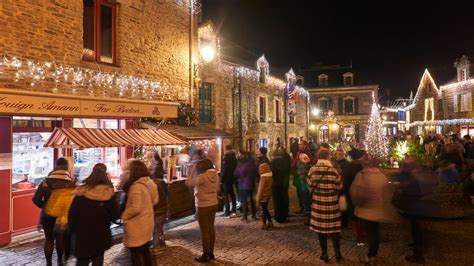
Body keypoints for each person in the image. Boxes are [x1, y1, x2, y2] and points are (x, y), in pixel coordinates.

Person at [68, 167, 119, 266]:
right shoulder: (108, 194)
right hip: (101, 235)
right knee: (98, 260)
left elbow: (72, 216)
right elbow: (115, 215)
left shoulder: (80, 193)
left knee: (82, 261)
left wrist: (73, 232)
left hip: (82, 235)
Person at [33, 157, 76, 266]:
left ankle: (48, 263)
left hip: (47, 216)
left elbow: (36, 199)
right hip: (62, 216)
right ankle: (60, 261)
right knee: (60, 239)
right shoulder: (70, 182)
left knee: (49, 240)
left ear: (55, 167)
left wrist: (46, 206)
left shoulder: (45, 182)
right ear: (66, 168)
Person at [351, 154, 392, 264]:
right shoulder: (382, 176)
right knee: (374, 231)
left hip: (365, 209)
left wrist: (356, 203)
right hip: (377, 209)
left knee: (370, 232)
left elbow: (354, 192)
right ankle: (373, 253)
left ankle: (371, 255)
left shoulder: (361, 175)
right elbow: (387, 194)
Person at [307, 148, 343, 263]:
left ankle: (324, 254)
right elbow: (339, 186)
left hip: (318, 203)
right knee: (334, 230)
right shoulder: (333, 170)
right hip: (332, 203)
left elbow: (309, 186)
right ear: (328, 157)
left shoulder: (312, 170)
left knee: (321, 231)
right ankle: (338, 254)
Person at [121, 160, 159, 266]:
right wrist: (146, 206)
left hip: (138, 225)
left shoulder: (137, 187)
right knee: (145, 250)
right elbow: (155, 200)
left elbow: (135, 208)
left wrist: (124, 215)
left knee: (136, 254)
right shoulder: (149, 182)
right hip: (147, 221)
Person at [393, 155, 426, 264]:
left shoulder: (411, 175)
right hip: (415, 204)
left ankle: (418, 254)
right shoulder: (413, 172)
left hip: (414, 204)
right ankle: (417, 244)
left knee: (416, 228)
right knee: (414, 226)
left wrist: (400, 186)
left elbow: (407, 186)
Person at [186, 159, 220, 263]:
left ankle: (205, 254)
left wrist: (191, 172)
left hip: (203, 205)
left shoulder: (202, 177)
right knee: (210, 229)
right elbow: (218, 189)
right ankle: (211, 252)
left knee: (205, 230)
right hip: (213, 203)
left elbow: (188, 183)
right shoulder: (216, 175)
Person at [343, 148, 366, 242]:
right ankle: (362, 233)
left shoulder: (349, 167)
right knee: (361, 214)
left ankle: (357, 235)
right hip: (362, 193)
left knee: (353, 215)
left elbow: (346, 182)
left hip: (351, 193)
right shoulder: (362, 166)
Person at [150, 152, 169, 252]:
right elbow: (167, 195)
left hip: (156, 208)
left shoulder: (151, 183)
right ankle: (161, 242)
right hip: (162, 208)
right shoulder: (162, 183)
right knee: (159, 226)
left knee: (156, 227)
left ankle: (156, 245)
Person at [234, 151, 258, 221]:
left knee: (244, 200)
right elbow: (255, 172)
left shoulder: (240, 164)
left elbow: (236, 173)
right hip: (251, 183)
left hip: (243, 184)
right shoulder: (252, 163)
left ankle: (245, 216)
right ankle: (254, 214)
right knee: (252, 199)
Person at [271, 147, 292, 223]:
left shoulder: (272, 162)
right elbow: (288, 172)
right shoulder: (285, 162)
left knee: (277, 200)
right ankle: (284, 216)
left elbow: (271, 174)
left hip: (275, 184)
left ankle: (277, 216)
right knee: (284, 200)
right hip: (283, 183)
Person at [220, 145, 238, 217]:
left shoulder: (226, 158)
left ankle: (227, 211)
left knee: (225, 194)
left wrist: (221, 179)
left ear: (226, 150)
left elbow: (224, 170)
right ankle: (234, 209)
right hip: (232, 178)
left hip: (226, 179)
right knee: (232, 194)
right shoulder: (234, 157)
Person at [256, 162, 273, 230]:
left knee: (264, 210)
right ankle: (270, 221)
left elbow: (260, 189)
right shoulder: (270, 176)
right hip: (268, 194)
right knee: (265, 209)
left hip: (263, 196)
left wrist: (258, 199)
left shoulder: (263, 178)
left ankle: (264, 223)